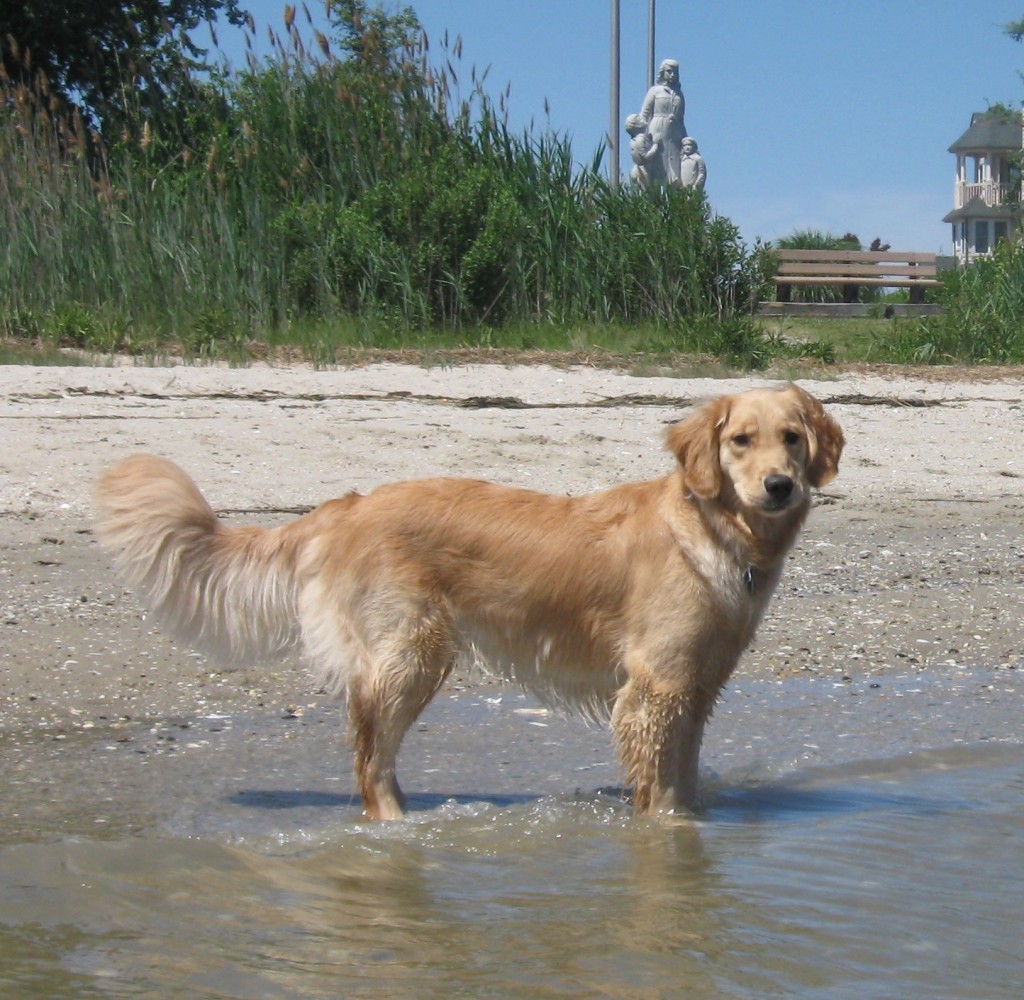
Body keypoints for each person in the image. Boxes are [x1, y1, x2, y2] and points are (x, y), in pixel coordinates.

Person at [639, 59, 686, 185]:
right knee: (657, 165)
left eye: (674, 72)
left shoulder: (679, 94)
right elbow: (644, 114)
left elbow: (681, 119)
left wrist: (685, 138)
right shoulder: (655, 91)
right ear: (663, 72)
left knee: (675, 167)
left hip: (675, 133)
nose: (672, 75)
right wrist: (641, 136)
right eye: (669, 72)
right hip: (657, 130)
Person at [624, 113, 660, 186]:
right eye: (638, 118)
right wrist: (655, 146)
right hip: (643, 171)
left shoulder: (634, 140)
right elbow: (646, 157)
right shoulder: (640, 139)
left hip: (639, 169)